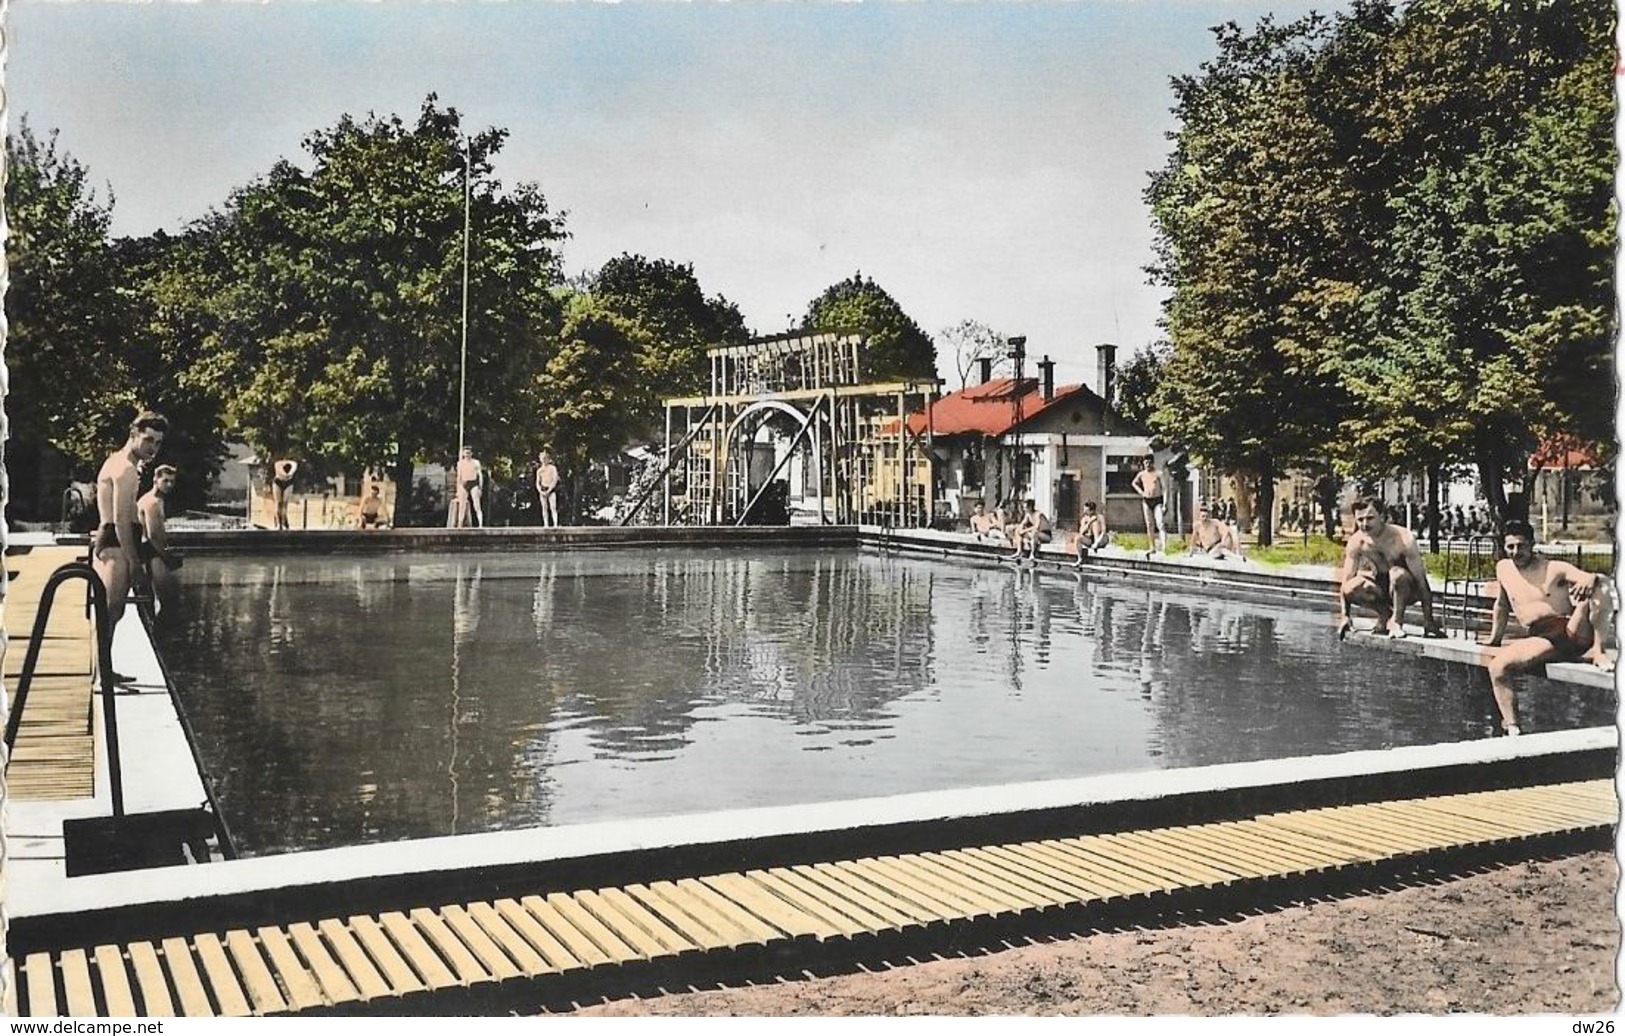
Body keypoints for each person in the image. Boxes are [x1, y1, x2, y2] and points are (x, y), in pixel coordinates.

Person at [1484, 521, 1616, 735]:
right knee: (1497, 668)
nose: (1516, 552)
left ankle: (1599, 652)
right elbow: (1502, 603)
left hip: (1570, 628)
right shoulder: (1503, 568)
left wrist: (1590, 579)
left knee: (1600, 583)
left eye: (1521, 546)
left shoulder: (1553, 568)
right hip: (1541, 636)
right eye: (1510, 547)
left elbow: (1587, 578)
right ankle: (1512, 728)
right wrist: (1495, 639)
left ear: (1532, 544)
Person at [94, 412, 167, 632]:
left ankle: (105, 666)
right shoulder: (125, 469)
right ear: (133, 434)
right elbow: (120, 519)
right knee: (111, 610)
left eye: (158, 443)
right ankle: (103, 666)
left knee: (115, 612)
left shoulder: (119, 462)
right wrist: (134, 561)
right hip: (117, 545)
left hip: (117, 543)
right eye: (148, 440)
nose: (153, 448)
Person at [1335, 497, 1444, 640]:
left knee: (1396, 574)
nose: (1365, 524)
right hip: (1381, 586)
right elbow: (1346, 580)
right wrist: (1345, 616)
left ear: (1382, 516)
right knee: (1351, 587)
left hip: (1408, 588)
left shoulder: (1403, 538)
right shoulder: (1357, 541)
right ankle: (1384, 613)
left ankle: (1397, 622)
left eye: (1370, 518)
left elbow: (1422, 582)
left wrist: (1428, 620)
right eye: (1360, 520)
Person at [137, 463, 183, 613]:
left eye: (172, 481)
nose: (169, 485)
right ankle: (159, 631)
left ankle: (157, 629)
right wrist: (167, 557)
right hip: (150, 552)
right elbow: (153, 535)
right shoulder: (152, 502)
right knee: (164, 599)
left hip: (153, 551)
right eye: (165, 481)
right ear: (155, 480)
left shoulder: (157, 500)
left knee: (157, 598)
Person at [1132, 455, 1167, 556]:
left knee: (1160, 523)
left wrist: (1165, 503)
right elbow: (1134, 483)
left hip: (1157, 500)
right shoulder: (1142, 474)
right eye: (1146, 463)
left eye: (1149, 462)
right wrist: (1141, 492)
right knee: (1149, 525)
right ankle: (1152, 547)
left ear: (1153, 463)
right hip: (1146, 500)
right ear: (1143, 463)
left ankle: (1164, 547)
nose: (1148, 465)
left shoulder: (1159, 473)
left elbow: (1164, 489)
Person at [1072, 501, 1110, 569]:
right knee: (1077, 538)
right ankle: (1080, 558)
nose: (1085, 512)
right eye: (1084, 510)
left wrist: (1097, 542)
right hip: (1090, 539)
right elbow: (1081, 532)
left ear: (1092, 511)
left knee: (1095, 524)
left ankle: (1096, 543)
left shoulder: (1100, 517)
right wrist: (1089, 522)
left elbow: (1103, 531)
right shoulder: (1084, 519)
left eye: (1086, 511)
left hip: (1101, 538)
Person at [453, 446, 484, 528]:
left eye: (469, 453)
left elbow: (480, 475)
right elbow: (459, 477)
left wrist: (480, 487)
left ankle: (480, 524)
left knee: (476, 504)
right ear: (463, 454)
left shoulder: (476, 462)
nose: (467, 455)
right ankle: (460, 524)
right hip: (464, 483)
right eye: (466, 453)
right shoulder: (460, 463)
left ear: (471, 454)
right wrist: (458, 489)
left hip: (473, 483)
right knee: (462, 505)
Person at [270, 458, 298, 530]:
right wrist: (286, 474)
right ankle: (278, 524)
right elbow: (280, 471)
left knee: (285, 504)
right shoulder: (277, 463)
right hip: (278, 481)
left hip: (288, 482)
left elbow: (293, 470)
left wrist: (289, 474)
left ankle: (283, 523)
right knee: (278, 503)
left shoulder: (293, 463)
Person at [535, 450, 560, 528]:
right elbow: (537, 482)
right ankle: (546, 524)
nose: (544, 460)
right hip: (543, 489)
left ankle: (555, 523)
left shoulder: (552, 468)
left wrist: (550, 489)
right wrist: (540, 490)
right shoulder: (539, 470)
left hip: (551, 489)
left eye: (545, 458)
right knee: (544, 507)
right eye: (543, 458)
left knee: (553, 507)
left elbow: (555, 479)